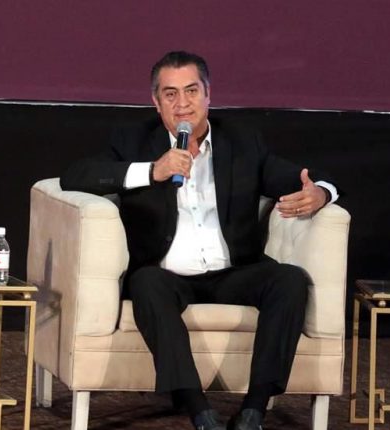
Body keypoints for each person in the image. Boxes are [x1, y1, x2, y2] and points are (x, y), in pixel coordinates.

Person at [61, 51, 339, 430]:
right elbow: (76, 175)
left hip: (232, 272)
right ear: (156, 102)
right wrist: (153, 170)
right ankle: (199, 411)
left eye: (191, 91)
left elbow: (304, 177)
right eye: (170, 94)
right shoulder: (133, 140)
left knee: (289, 280)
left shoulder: (242, 142)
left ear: (208, 95)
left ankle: (254, 410)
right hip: (166, 276)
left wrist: (321, 193)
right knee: (146, 283)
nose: (183, 104)